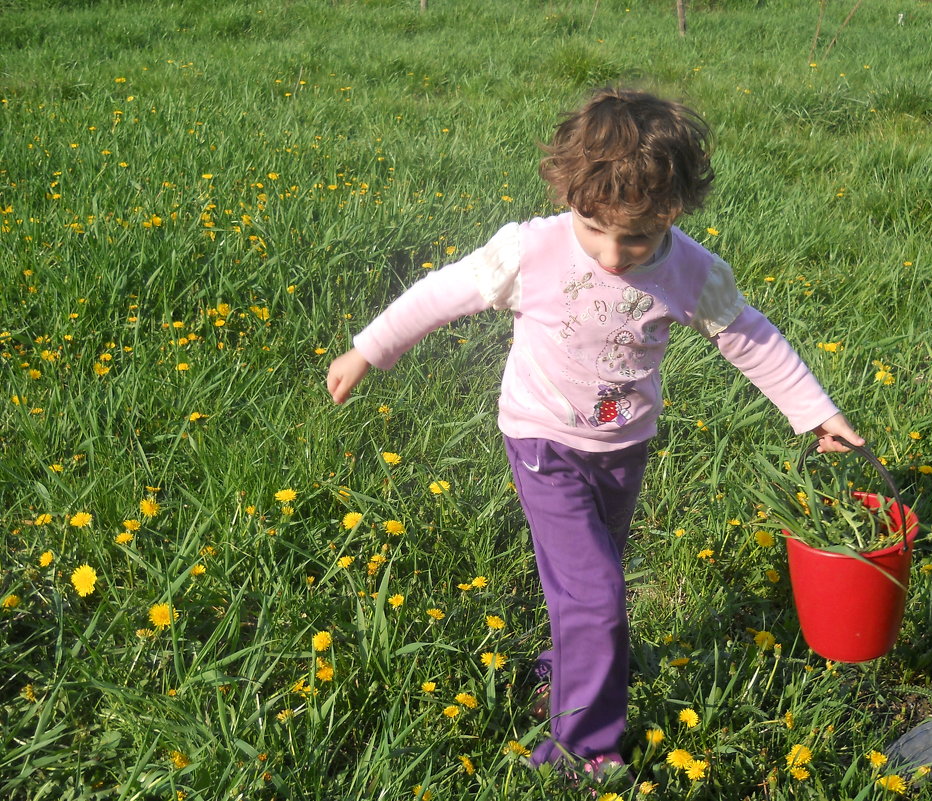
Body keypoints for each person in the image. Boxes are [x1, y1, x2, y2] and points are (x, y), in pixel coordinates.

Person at [327, 87, 864, 780]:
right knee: (598, 594)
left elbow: (750, 339)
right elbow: (442, 292)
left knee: (589, 577)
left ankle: (565, 664)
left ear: (673, 209)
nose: (613, 255)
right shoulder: (532, 251)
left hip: (624, 447)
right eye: (595, 228)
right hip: (541, 440)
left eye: (636, 237)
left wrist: (819, 413)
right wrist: (371, 347)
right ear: (568, 195)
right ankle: (584, 749)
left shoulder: (690, 270)